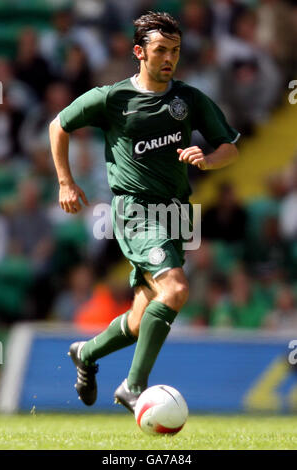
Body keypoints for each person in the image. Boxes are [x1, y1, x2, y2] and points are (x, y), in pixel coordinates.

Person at [49, 11, 240, 413]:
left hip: (175, 214)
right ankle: (134, 387)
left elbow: (230, 149)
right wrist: (66, 182)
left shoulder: (188, 99)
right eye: (160, 51)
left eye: (175, 51)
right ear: (139, 52)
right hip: (135, 211)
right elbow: (58, 125)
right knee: (176, 290)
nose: (169, 58)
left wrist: (206, 158)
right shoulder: (112, 98)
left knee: (140, 320)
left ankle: (86, 353)